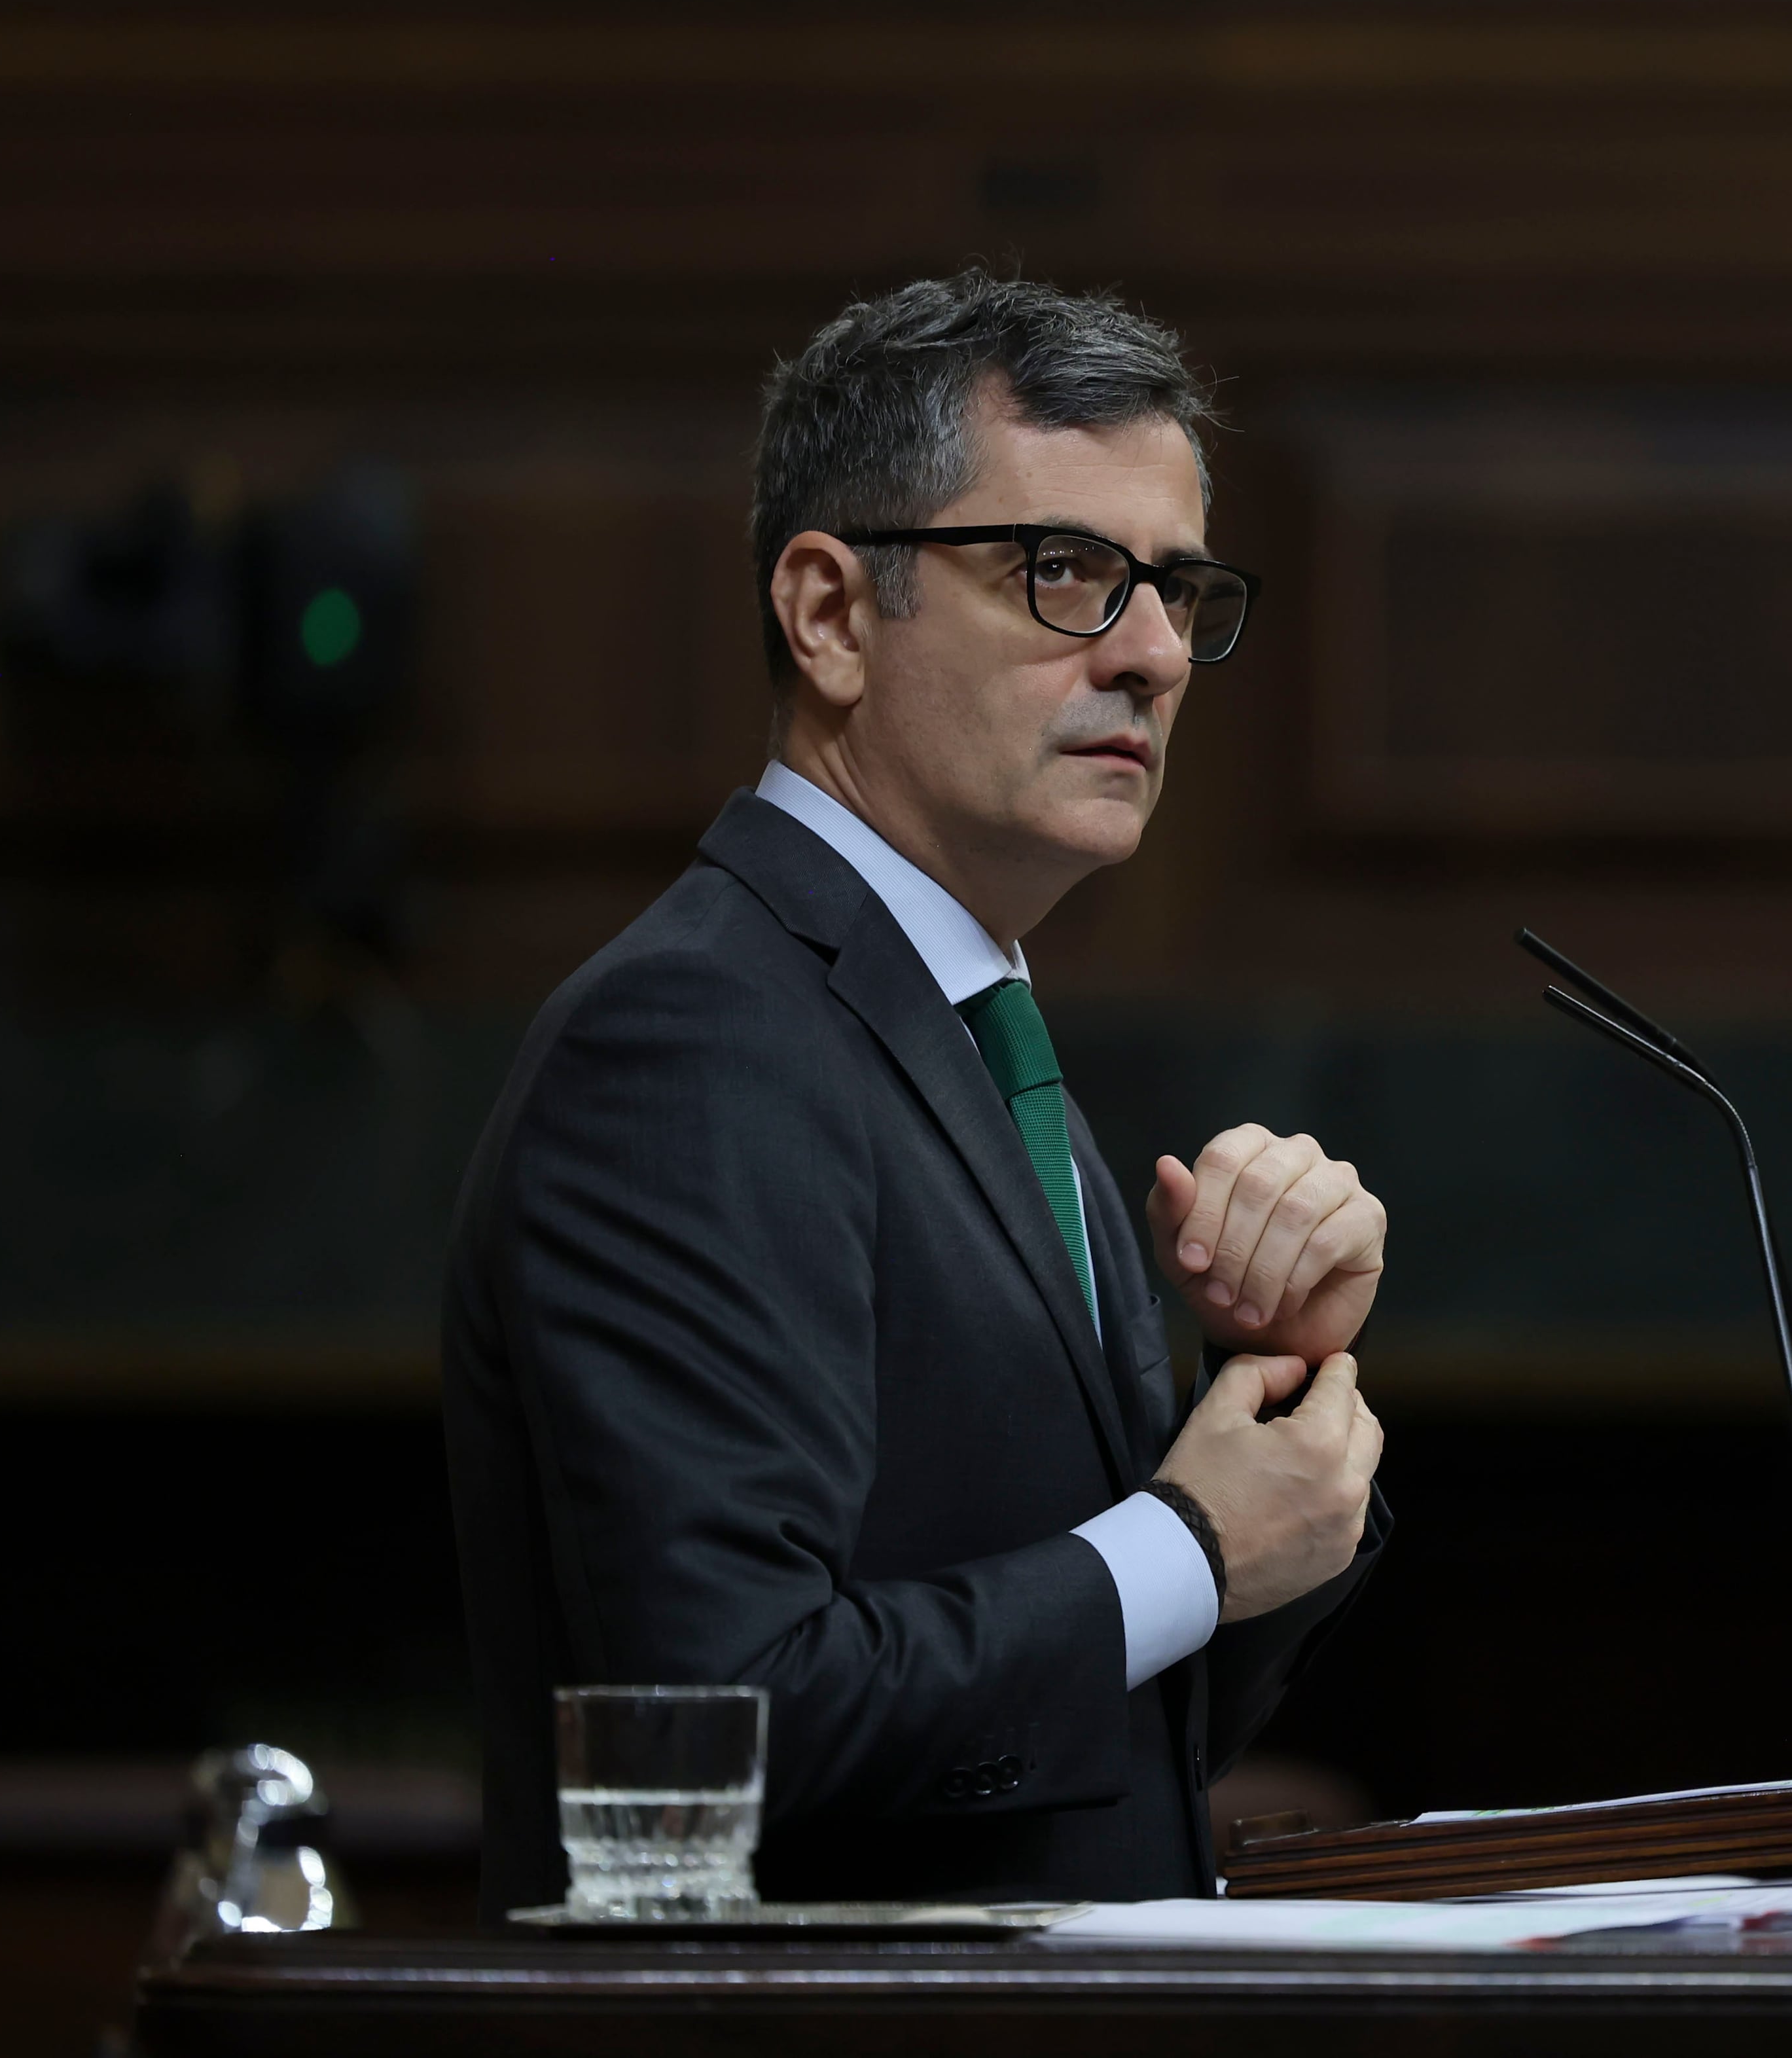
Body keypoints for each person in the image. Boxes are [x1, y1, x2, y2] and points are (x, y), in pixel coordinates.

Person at [441, 272, 1389, 1916]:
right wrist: (1189, 1540)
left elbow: (1119, 1735)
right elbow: (727, 1713)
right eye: (1069, 572)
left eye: (1176, 588)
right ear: (828, 616)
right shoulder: (692, 1036)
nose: (1159, 653)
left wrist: (1277, 1398)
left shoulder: (969, 1020)